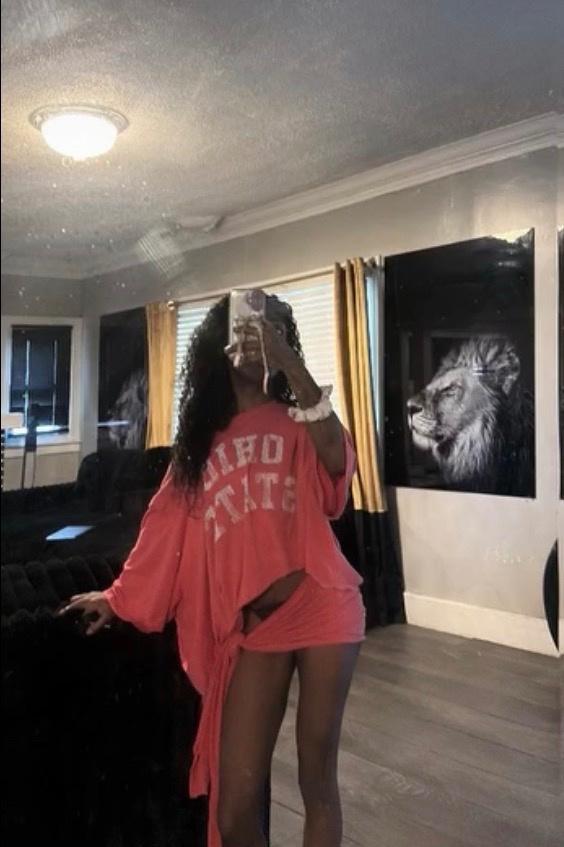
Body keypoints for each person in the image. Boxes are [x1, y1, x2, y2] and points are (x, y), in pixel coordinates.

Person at [61, 291, 366, 847]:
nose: (258, 336)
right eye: (247, 325)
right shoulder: (199, 448)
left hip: (322, 602)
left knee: (317, 777)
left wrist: (289, 362)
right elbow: (163, 530)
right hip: (255, 627)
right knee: (234, 809)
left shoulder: (299, 419)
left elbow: (337, 462)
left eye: (273, 327)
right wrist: (117, 597)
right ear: (218, 344)